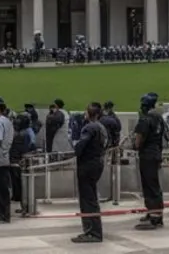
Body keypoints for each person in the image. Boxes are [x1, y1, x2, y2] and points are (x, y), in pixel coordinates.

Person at [72, 102, 108, 244]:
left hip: (87, 165)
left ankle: (92, 231)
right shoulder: (102, 127)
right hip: (97, 163)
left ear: (88, 113)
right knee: (92, 198)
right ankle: (94, 230)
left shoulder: (89, 128)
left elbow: (80, 147)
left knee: (87, 199)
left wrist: (76, 148)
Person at [134, 92, 166, 230]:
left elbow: (138, 141)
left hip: (147, 155)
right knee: (154, 185)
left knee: (149, 185)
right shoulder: (159, 118)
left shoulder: (145, 119)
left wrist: (135, 145)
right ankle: (156, 213)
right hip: (157, 154)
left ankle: (154, 216)